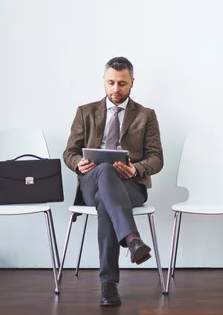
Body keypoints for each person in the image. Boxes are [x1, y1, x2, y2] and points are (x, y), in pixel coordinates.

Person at [63, 56, 164, 306]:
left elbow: (157, 158)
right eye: (111, 83)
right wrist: (78, 163)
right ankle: (132, 240)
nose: (115, 89)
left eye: (122, 83)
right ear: (104, 81)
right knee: (105, 170)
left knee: (106, 205)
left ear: (132, 83)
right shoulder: (85, 112)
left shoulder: (146, 115)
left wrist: (136, 169)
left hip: (131, 186)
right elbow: (69, 152)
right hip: (91, 182)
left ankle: (109, 285)